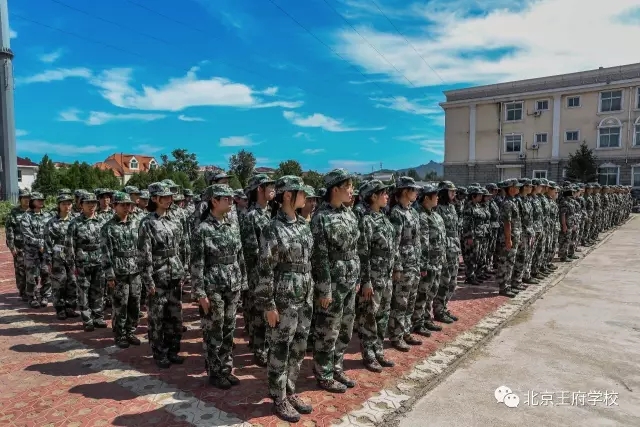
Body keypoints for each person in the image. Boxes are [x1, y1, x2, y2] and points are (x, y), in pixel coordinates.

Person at [257, 176, 314, 422]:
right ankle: (278, 397)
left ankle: (290, 390)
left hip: (304, 294)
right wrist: (269, 305)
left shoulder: (303, 225)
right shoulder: (272, 228)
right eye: (301, 193)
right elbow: (265, 269)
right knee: (280, 348)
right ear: (288, 195)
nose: (306, 197)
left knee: (299, 347)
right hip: (284, 297)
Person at [191, 184, 247, 388]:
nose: (231, 201)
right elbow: (196, 263)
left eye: (232, 198)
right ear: (214, 201)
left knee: (229, 329)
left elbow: (239, 257)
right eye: (226, 198)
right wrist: (200, 293)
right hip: (212, 286)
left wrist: (242, 281)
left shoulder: (232, 226)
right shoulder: (202, 229)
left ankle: (226, 368)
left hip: (232, 285)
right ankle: (215, 372)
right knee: (214, 329)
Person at [311, 168, 360, 393]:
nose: (352, 191)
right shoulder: (321, 218)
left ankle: (337, 366)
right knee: (328, 329)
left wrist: (357, 277)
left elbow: (355, 249)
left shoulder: (349, 213)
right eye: (348, 186)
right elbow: (319, 257)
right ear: (336, 189)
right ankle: (324, 372)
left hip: (350, 279)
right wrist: (324, 290)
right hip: (333, 283)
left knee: (345, 328)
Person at [138, 182, 186, 368]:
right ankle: (159, 354)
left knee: (175, 316)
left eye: (170, 196)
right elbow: (144, 254)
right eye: (164, 197)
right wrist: (148, 280)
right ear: (154, 199)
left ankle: (173, 350)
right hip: (157, 275)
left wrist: (183, 269)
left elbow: (181, 246)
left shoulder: (174, 219)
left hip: (174, 273)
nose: (169, 199)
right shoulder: (147, 222)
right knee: (157, 318)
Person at [356, 179, 397, 372]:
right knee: (369, 317)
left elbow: (392, 247)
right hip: (373, 277)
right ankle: (369, 354)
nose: (387, 196)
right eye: (383, 193)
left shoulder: (384, 218)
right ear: (373, 196)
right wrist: (365, 281)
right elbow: (363, 254)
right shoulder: (366, 220)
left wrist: (395, 268)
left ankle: (378, 350)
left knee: (383, 315)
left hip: (386, 276)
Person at [240, 173, 276, 367]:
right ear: (258, 190)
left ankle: (267, 345)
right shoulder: (251, 217)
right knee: (257, 312)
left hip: (272, 270)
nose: (273, 189)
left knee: (268, 310)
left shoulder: (272, 213)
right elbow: (251, 251)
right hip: (257, 271)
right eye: (268, 185)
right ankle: (259, 348)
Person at [101, 192, 142, 349]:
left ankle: (131, 331)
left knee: (134, 302)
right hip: (119, 270)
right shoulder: (108, 228)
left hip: (135, 270)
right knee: (120, 304)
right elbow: (105, 253)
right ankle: (120, 334)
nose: (126, 207)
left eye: (128, 204)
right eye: (122, 205)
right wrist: (109, 275)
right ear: (114, 206)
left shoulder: (136, 224)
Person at [388, 177, 423, 351]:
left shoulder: (413, 212)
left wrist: (420, 260)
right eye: (413, 190)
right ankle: (396, 335)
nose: (416, 193)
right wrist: (397, 265)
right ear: (404, 191)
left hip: (414, 261)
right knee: (400, 301)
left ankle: (406, 330)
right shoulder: (396, 213)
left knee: (410, 300)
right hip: (403, 262)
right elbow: (394, 243)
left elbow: (417, 240)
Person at [66, 191, 107, 330]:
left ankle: (98, 316)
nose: (91, 206)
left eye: (94, 203)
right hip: (82, 262)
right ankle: (87, 319)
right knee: (83, 291)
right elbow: (69, 245)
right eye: (88, 203)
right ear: (81, 205)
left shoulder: (102, 221)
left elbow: (107, 243)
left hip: (99, 261)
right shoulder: (74, 223)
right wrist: (72, 265)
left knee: (99, 290)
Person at [411, 183, 446, 335]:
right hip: (427, 262)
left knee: (432, 292)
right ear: (426, 198)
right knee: (422, 294)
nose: (437, 198)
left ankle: (426, 318)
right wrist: (423, 265)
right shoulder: (421, 216)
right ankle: (418, 323)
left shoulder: (434, 214)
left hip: (437, 261)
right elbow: (423, 243)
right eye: (435, 195)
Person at [44, 193, 79, 320]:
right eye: (64, 204)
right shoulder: (51, 223)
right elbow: (47, 242)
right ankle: (60, 308)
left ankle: (70, 307)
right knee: (59, 283)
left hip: (73, 256)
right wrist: (48, 260)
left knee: (73, 282)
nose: (67, 206)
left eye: (69, 204)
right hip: (58, 256)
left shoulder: (76, 220)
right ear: (58, 205)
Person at [433, 181, 461, 322]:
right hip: (444, 249)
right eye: (451, 191)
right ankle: (438, 310)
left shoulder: (452, 207)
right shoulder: (438, 209)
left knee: (453, 282)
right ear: (444, 192)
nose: (454, 194)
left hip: (454, 247)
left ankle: (444, 307)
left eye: (454, 191)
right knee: (444, 280)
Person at [21, 192, 51, 308]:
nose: (41, 202)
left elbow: (50, 232)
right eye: (38, 200)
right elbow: (27, 235)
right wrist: (40, 244)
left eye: (42, 200)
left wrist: (46, 246)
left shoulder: (47, 216)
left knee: (46, 272)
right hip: (31, 251)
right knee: (32, 275)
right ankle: (32, 297)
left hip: (45, 251)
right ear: (32, 202)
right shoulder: (26, 216)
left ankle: (45, 296)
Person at [5, 189, 31, 301]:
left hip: (32, 247)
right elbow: (9, 231)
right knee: (21, 271)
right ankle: (23, 291)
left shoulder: (33, 212)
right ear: (20, 199)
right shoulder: (14, 213)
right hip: (19, 247)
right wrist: (12, 247)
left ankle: (31, 291)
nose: (26, 200)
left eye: (28, 198)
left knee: (32, 270)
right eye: (24, 198)